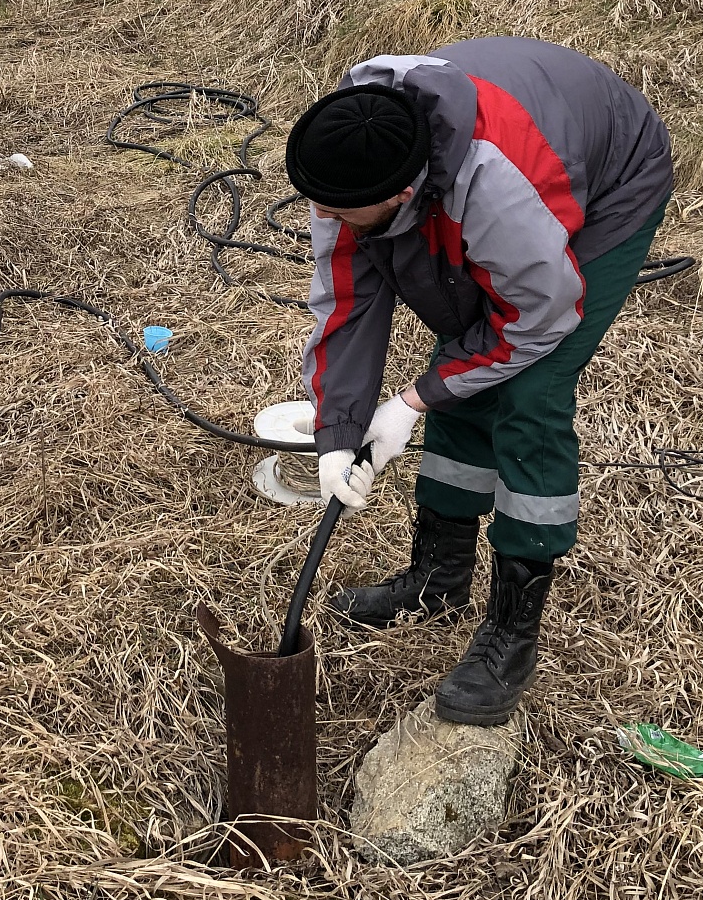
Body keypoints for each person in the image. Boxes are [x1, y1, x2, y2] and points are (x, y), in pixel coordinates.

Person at [285, 37, 673, 726]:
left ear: (404, 195)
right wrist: (337, 433)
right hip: (509, 155)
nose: (323, 222)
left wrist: (414, 400)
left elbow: (535, 318)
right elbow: (345, 303)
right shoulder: (355, 147)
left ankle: (512, 630)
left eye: (338, 214)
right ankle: (438, 577)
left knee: (528, 389)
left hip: (613, 180)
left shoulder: (495, 186)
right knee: (463, 356)